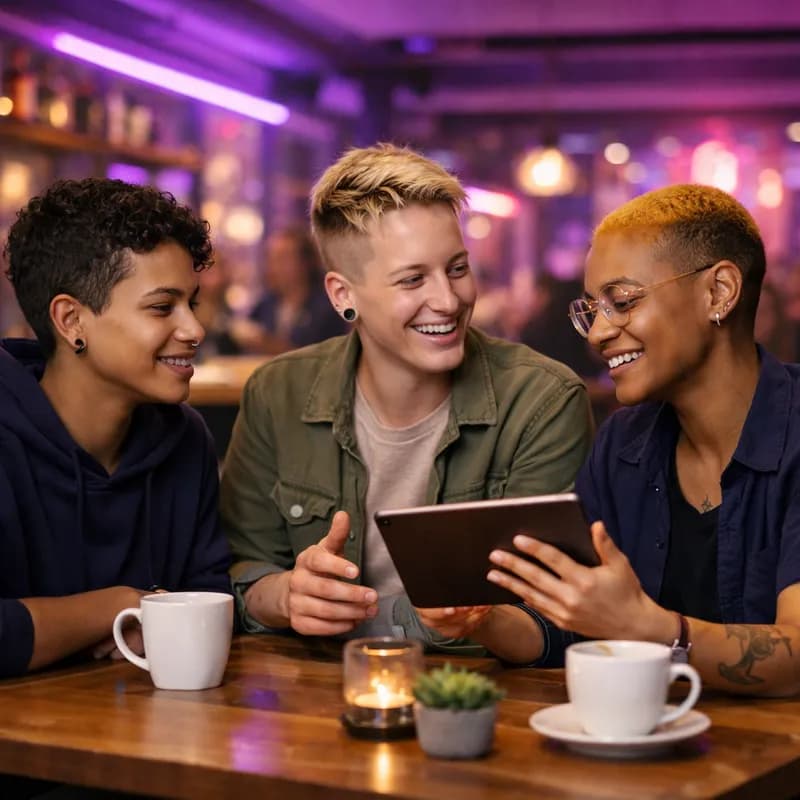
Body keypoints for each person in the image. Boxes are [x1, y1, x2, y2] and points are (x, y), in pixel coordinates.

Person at [220, 143, 593, 660]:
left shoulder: (542, 400)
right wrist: (286, 597)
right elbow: (241, 568)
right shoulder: (276, 393)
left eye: (457, 268)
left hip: (479, 702)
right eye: (412, 279)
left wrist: (465, 622)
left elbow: (553, 619)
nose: (448, 299)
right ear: (341, 294)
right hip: (304, 703)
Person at [485, 183, 800, 695]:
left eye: (623, 301)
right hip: (642, 756)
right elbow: (573, 623)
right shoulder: (624, 445)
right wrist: (483, 621)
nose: (597, 333)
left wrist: (648, 627)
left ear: (718, 292)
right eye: (592, 308)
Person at [0, 178, 231, 679]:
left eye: (192, 302)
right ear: (71, 320)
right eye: (161, 306)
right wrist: (121, 606)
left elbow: (211, 601)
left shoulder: (186, 440)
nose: (194, 329)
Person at [232, 225, 344, 354]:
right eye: (270, 258)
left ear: (306, 263)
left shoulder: (328, 306)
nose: (273, 266)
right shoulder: (266, 303)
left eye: (282, 258)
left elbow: (320, 358)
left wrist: (267, 343)